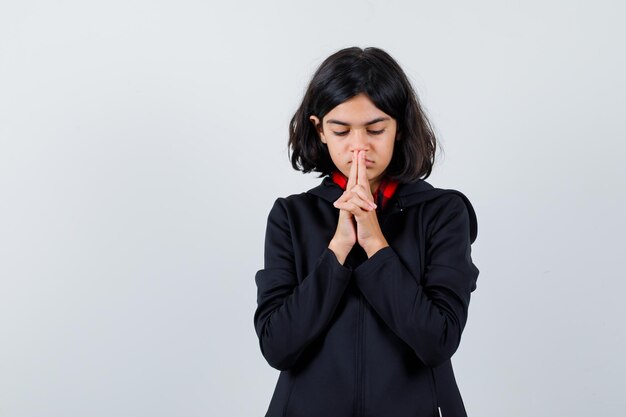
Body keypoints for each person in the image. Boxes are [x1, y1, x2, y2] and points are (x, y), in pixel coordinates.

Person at [253, 46, 480, 417]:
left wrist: (376, 243)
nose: (359, 147)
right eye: (341, 131)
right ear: (319, 130)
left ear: (399, 128)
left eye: (376, 129)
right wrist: (338, 249)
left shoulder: (443, 212)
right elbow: (278, 347)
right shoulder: (291, 215)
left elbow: (437, 341)